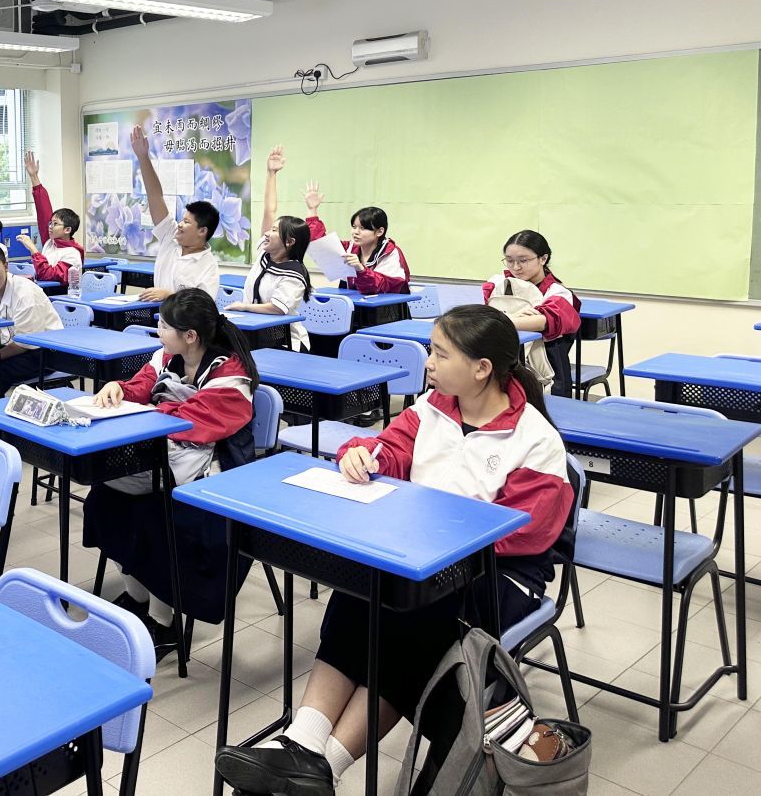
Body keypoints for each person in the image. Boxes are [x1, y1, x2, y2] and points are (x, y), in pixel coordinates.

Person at [214, 305, 574, 796]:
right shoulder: (432, 408)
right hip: (420, 558)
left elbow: (525, 531)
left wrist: (433, 536)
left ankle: (322, 765)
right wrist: (362, 455)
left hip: (499, 575)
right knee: (362, 589)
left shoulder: (535, 439)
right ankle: (304, 744)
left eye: (440, 353)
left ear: (481, 368)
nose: (428, 362)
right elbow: (390, 448)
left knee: (414, 620)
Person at [82, 289, 258, 658]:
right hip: (167, 459)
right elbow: (143, 385)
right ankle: (137, 597)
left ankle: (163, 622)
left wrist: (145, 412)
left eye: (163, 325)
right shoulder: (167, 356)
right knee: (103, 499)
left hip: (214, 475)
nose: (157, 330)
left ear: (190, 335)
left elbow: (192, 423)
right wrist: (119, 389)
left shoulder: (231, 377)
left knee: (154, 517)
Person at [228, 144, 312, 351]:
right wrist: (271, 174)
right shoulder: (264, 254)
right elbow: (269, 210)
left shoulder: (294, 273)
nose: (267, 233)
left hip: (284, 343)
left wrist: (244, 307)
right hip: (253, 336)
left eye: (274, 231)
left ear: (289, 242)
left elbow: (277, 308)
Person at [483, 229, 582, 397]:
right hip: (504, 360)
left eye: (523, 260)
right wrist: (517, 318)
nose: (516, 267)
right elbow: (482, 312)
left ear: (543, 259)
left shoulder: (557, 292)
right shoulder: (498, 283)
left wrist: (504, 318)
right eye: (509, 260)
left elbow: (544, 321)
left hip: (545, 371)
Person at [129, 124, 220, 300]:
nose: (179, 225)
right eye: (182, 220)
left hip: (184, 319)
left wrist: (169, 295)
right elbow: (155, 196)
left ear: (202, 231)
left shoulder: (208, 265)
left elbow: (203, 305)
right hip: (158, 315)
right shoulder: (170, 236)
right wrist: (143, 158)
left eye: (187, 222)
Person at [0, 242, 64, 392]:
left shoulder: (25, 294)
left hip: (45, 352)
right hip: (10, 345)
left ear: (5, 266)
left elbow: (23, 345)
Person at [303, 183, 411, 294]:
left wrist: (360, 269)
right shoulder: (350, 248)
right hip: (356, 302)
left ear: (379, 232)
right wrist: (312, 210)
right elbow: (319, 243)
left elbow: (380, 287)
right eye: (354, 227)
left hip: (385, 304)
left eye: (363, 228)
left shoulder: (390, 253)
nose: (356, 232)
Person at [18, 150, 84, 285]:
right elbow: (43, 210)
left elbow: (47, 275)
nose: (50, 227)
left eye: (55, 224)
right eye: (50, 223)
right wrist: (34, 177)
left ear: (67, 230)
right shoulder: (51, 242)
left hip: (61, 295)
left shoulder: (72, 254)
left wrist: (33, 249)